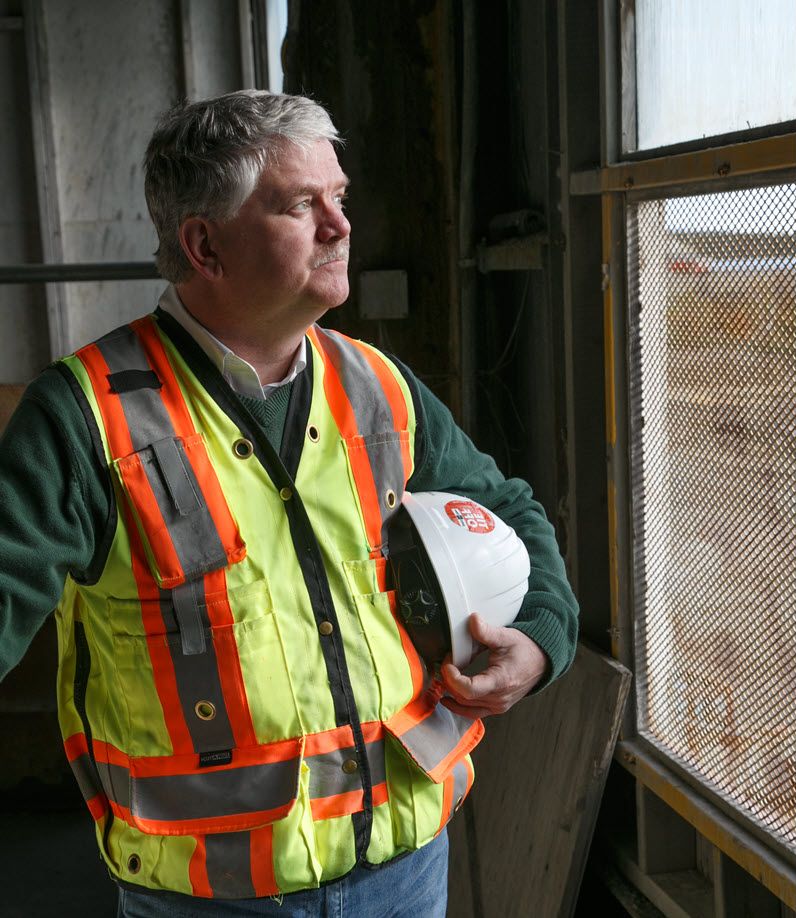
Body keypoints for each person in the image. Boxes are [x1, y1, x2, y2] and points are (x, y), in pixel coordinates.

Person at [0, 90, 579, 915]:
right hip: (209, 900)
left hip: (406, 871)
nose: (340, 226)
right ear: (205, 244)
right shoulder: (84, 417)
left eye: (337, 198)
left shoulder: (376, 386)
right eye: (299, 205)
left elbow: (512, 510)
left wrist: (541, 639)